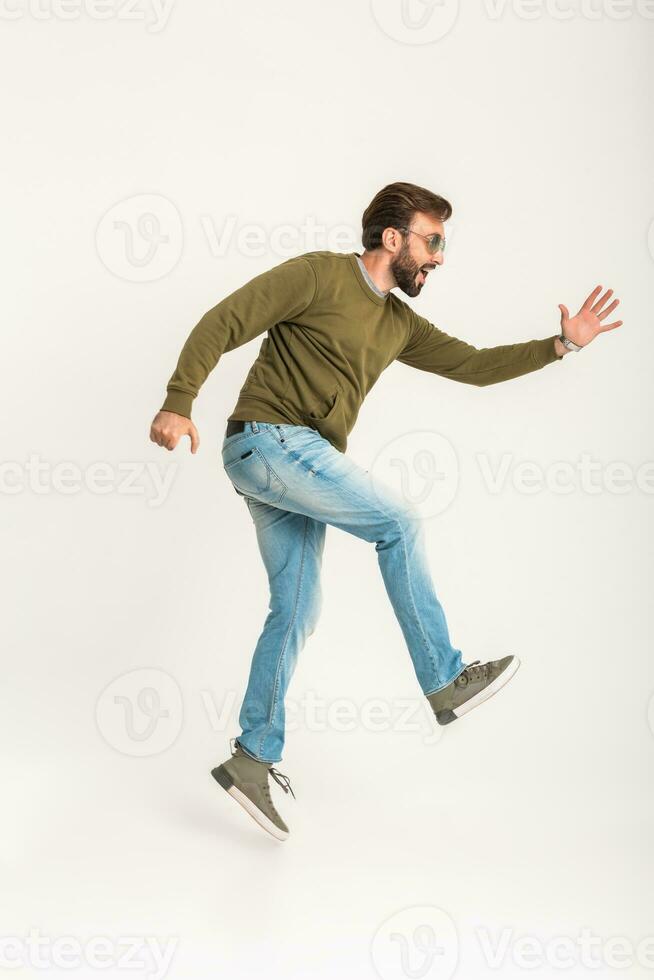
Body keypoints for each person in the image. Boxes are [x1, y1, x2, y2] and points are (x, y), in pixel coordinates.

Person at [149, 181, 623, 841]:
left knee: (296, 610)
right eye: (432, 242)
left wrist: (560, 345)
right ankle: (445, 679)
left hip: (287, 461)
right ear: (392, 238)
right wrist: (179, 400)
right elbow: (224, 319)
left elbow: (475, 366)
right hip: (269, 439)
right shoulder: (319, 275)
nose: (439, 258)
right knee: (399, 521)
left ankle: (251, 758)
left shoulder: (398, 323)